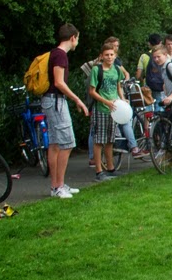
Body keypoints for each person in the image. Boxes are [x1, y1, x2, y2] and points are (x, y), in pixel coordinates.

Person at [43, 23, 89, 199]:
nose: (77, 42)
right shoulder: (61, 55)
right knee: (67, 143)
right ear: (73, 38)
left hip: (51, 101)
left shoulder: (54, 53)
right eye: (78, 38)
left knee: (55, 144)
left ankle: (56, 186)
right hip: (56, 102)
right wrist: (77, 99)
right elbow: (59, 82)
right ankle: (59, 186)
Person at [88, 42, 125, 182]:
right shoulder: (96, 70)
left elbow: (118, 86)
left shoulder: (117, 70)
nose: (109, 57)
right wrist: (106, 102)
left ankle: (111, 168)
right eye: (106, 55)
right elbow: (92, 91)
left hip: (114, 110)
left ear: (115, 56)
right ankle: (99, 171)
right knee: (99, 141)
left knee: (110, 140)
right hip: (101, 109)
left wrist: (122, 100)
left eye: (111, 55)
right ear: (101, 56)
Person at [135, 33, 165, 109]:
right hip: (160, 85)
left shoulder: (144, 56)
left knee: (148, 106)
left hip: (147, 85)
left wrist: (143, 79)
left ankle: (149, 117)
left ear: (149, 43)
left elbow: (138, 75)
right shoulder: (163, 55)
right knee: (159, 105)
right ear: (160, 42)